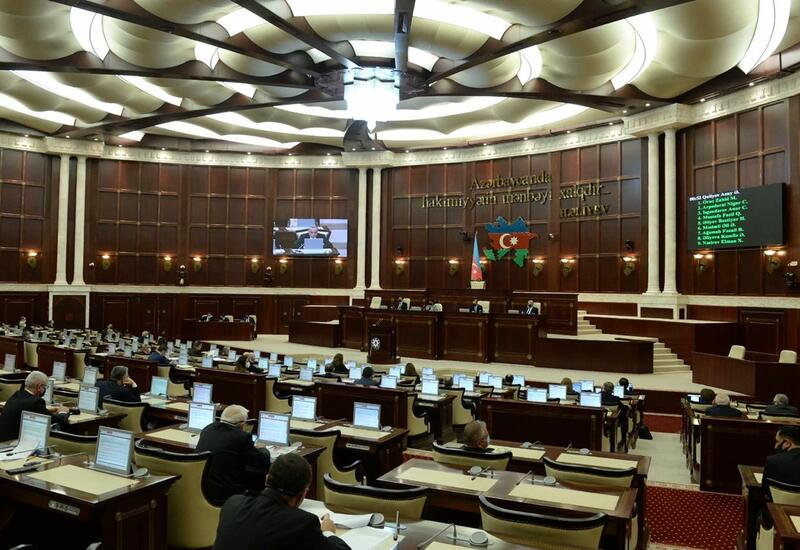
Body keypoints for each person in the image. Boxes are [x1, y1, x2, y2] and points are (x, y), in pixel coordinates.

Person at [213, 453, 348, 550]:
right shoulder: (302, 523)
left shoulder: (232, 503)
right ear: (302, 494)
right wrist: (328, 532)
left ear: (267, 479)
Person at [196, 404, 271, 506]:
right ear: (242, 424)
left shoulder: (207, 429)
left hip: (202, 489)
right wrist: (263, 449)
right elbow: (262, 462)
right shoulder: (241, 437)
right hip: (227, 494)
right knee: (259, 481)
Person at [0, 371, 69, 441]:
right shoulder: (36, 402)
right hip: (11, 441)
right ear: (39, 387)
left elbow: (28, 409)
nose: (45, 389)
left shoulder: (17, 395)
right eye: (45, 387)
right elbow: (57, 420)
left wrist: (47, 410)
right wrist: (63, 412)